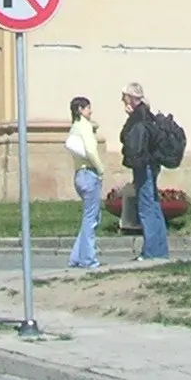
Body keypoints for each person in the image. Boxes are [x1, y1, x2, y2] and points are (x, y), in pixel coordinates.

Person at [120, 82, 169, 261]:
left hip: (144, 165)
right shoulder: (146, 114)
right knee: (154, 206)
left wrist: (130, 117)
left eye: (124, 96)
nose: (122, 100)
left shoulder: (138, 116)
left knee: (146, 208)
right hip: (152, 164)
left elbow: (126, 136)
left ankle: (151, 252)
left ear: (131, 98)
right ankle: (160, 250)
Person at [64, 95, 104, 270]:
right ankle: (88, 259)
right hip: (89, 173)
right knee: (91, 219)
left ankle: (76, 257)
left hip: (79, 174)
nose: (91, 111)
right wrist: (100, 169)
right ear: (80, 110)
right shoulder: (85, 127)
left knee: (89, 217)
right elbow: (90, 150)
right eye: (88, 108)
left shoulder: (74, 128)